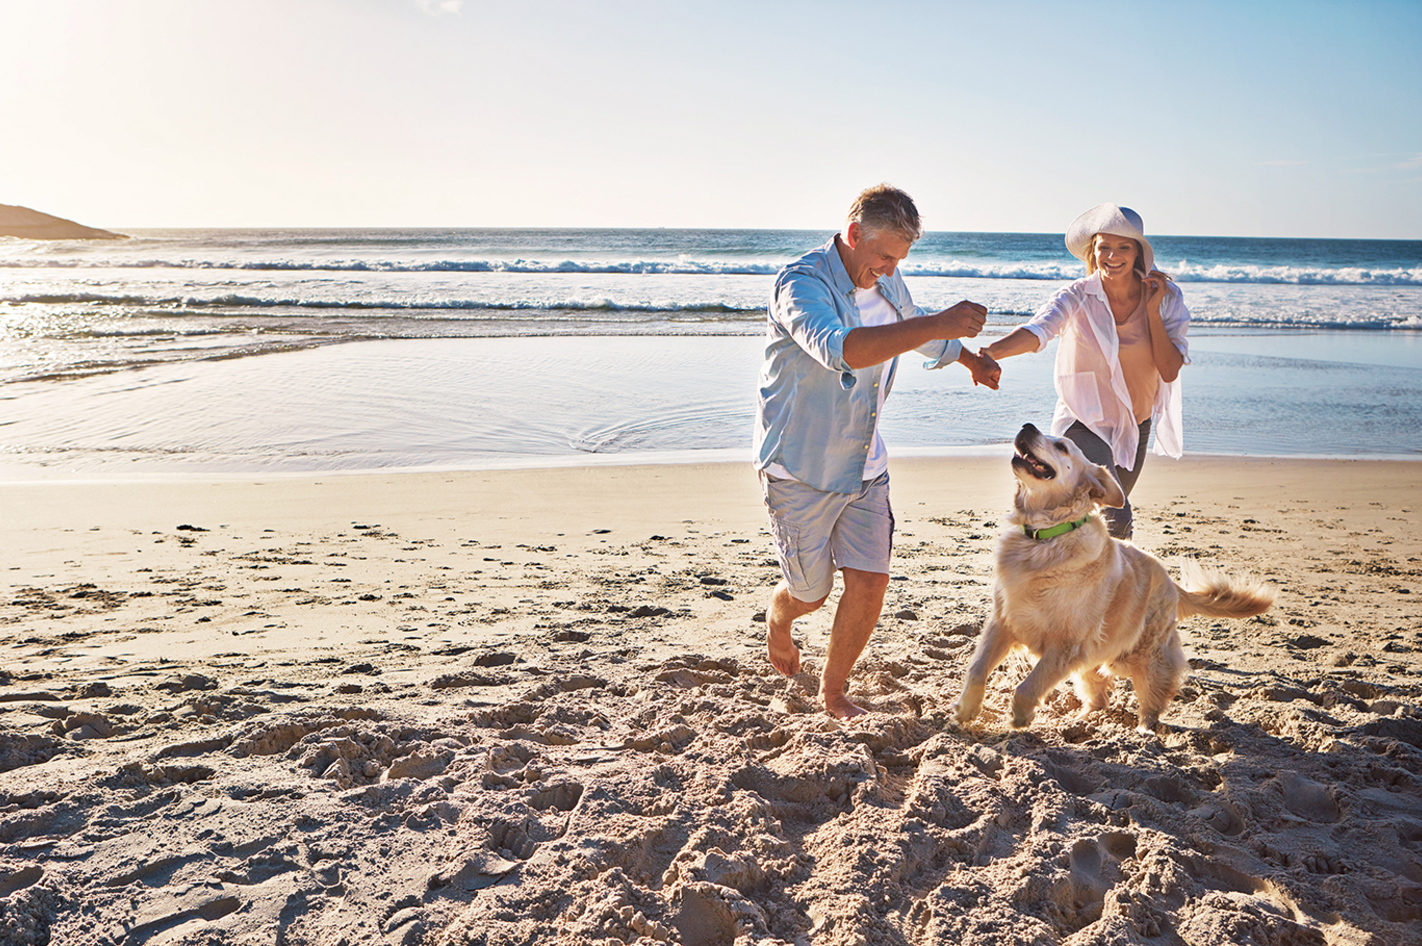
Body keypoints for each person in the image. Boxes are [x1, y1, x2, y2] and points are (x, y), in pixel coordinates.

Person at [754, 184, 999, 718]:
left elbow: (914, 333)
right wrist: (937, 323)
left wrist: (967, 359)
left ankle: (833, 691)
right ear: (853, 234)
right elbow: (842, 350)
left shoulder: (887, 281)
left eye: (900, 259)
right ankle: (780, 612)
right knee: (811, 594)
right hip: (801, 466)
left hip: (866, 462)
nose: (890, 269)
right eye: (885, 256)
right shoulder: (801, 284)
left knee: (870, 583)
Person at [975, 203, 1190, 539]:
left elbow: (1169, 369)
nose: (1112, 256)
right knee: (1116, 518)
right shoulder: (1077, 296)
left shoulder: (1166, 299)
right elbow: (1039, 331)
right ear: (1093, 250)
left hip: (1137, 425)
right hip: (1084, 421)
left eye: (1123, 247)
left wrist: (1151, 311)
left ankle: (1073, 579)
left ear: (1138, 253)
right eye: (1104, 246)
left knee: (1095, 521)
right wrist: (990, 353)